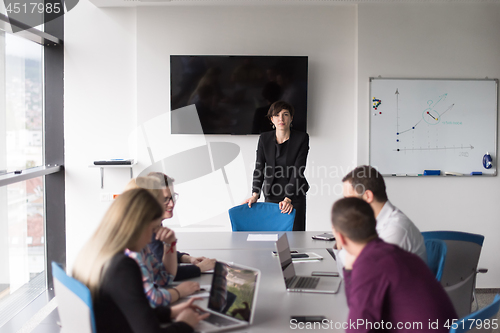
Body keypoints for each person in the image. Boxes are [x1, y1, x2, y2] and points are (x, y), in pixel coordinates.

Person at [72, 189, 209, 333]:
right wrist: (185, 324)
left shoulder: (97, 253)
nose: (153, 237)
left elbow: (131, 308)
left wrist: (169, 313)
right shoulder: (123, 267)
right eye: (154, 228)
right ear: (138, 226)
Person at [331, 197, 457, 332]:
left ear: (340, 237)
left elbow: (357, 329)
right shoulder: (392, 252)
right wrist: (349, 270)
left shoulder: (371, 264)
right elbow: (357, 308)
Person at [123, 177, 201, 307]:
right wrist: (180, 291)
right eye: (163, 200)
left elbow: (163, 278)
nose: (171, 204)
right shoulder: (132, 250)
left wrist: (169, 245)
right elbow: (153, 300)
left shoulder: (142, 244)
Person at [335, 165, 426, 275]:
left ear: (367, 196)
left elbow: (364, 275)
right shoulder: (369, 223)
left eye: (348, 199)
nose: (346, 206)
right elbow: (347, 275)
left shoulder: (396, 229)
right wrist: (341, 244)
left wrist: (344, 242)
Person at [244, 100, 310, 231]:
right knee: (271, 235)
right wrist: (255, 193)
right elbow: (259, 168)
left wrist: (288, 198)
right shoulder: (264, 138)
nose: (281, 118)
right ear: (271, 119)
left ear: (291, 118)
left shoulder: (301, 138)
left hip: (295, 195)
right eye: (277, 115)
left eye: (285, 114)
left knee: (295, 237)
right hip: (272, 193)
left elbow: (298, 170)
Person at [147, 172, 216, 279]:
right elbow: (165, 273)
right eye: (165, 199)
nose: (172, 204)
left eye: (172, 197)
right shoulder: (148, 228)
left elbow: (161, 253)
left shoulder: (154, 221)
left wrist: (187, 258)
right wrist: (200, 268)